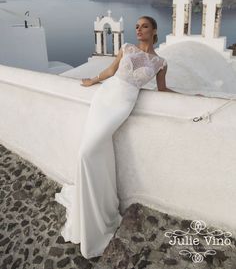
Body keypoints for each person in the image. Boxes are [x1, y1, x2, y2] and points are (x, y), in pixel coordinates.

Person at [54, 16, 203, 259]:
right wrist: (93, 80)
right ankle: (88, 205)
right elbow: (111, 71)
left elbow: (163, 90)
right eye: (136, 26)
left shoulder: (160, 62)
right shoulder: (126, 49)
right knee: (88, 152)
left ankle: (99, 208)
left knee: (90, 152)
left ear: (154, 30)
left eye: (144, 26)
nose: (139, 29)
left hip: (123, 105)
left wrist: (192, 97)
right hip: (105, 97)